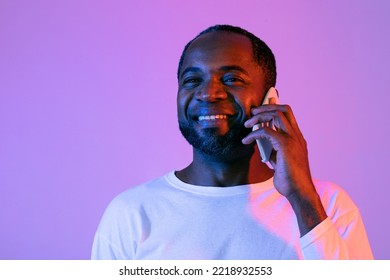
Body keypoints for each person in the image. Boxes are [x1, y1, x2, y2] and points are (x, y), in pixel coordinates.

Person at [91, 24, 373, 259]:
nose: (208, 93)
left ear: (269, 100)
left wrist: (302, 199)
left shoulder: (328, 205)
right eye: (192, 80)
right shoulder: (131, 213)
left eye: (231, 79)